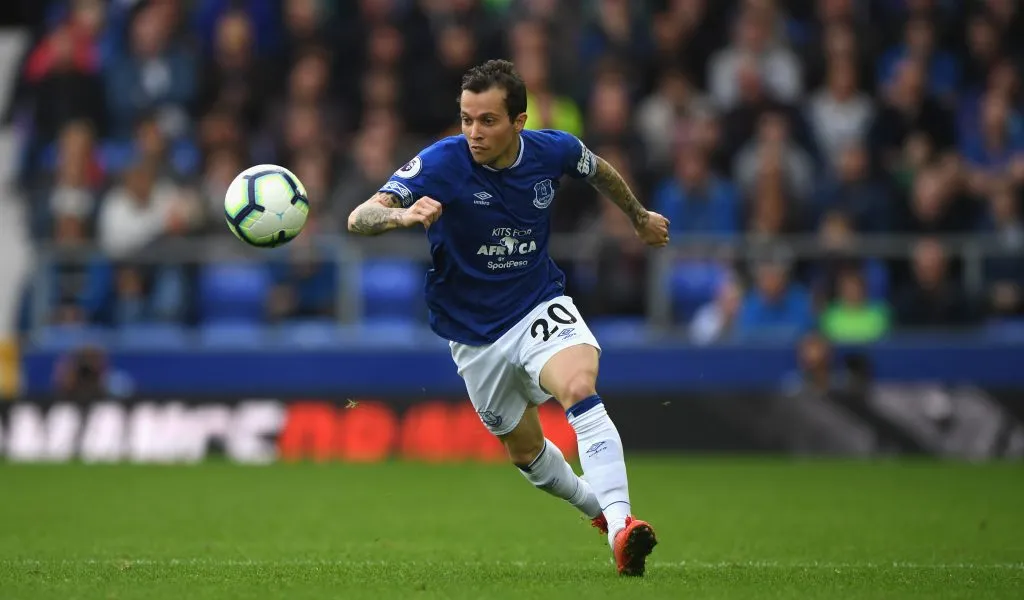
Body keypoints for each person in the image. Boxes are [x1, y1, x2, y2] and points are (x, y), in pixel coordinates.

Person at [346, 59, 670, 576]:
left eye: (487, 121)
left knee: (579, 387)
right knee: (527, 453)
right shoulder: (442, 162)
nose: (474, 132)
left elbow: (600, 170)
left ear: (519, 121)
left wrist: (637, 216)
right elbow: (359, 216)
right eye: (466, 119)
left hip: (538, 304)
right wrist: (400, 215)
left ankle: (622, 526)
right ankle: (604, 518)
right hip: (473, 337)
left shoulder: (554, 149)